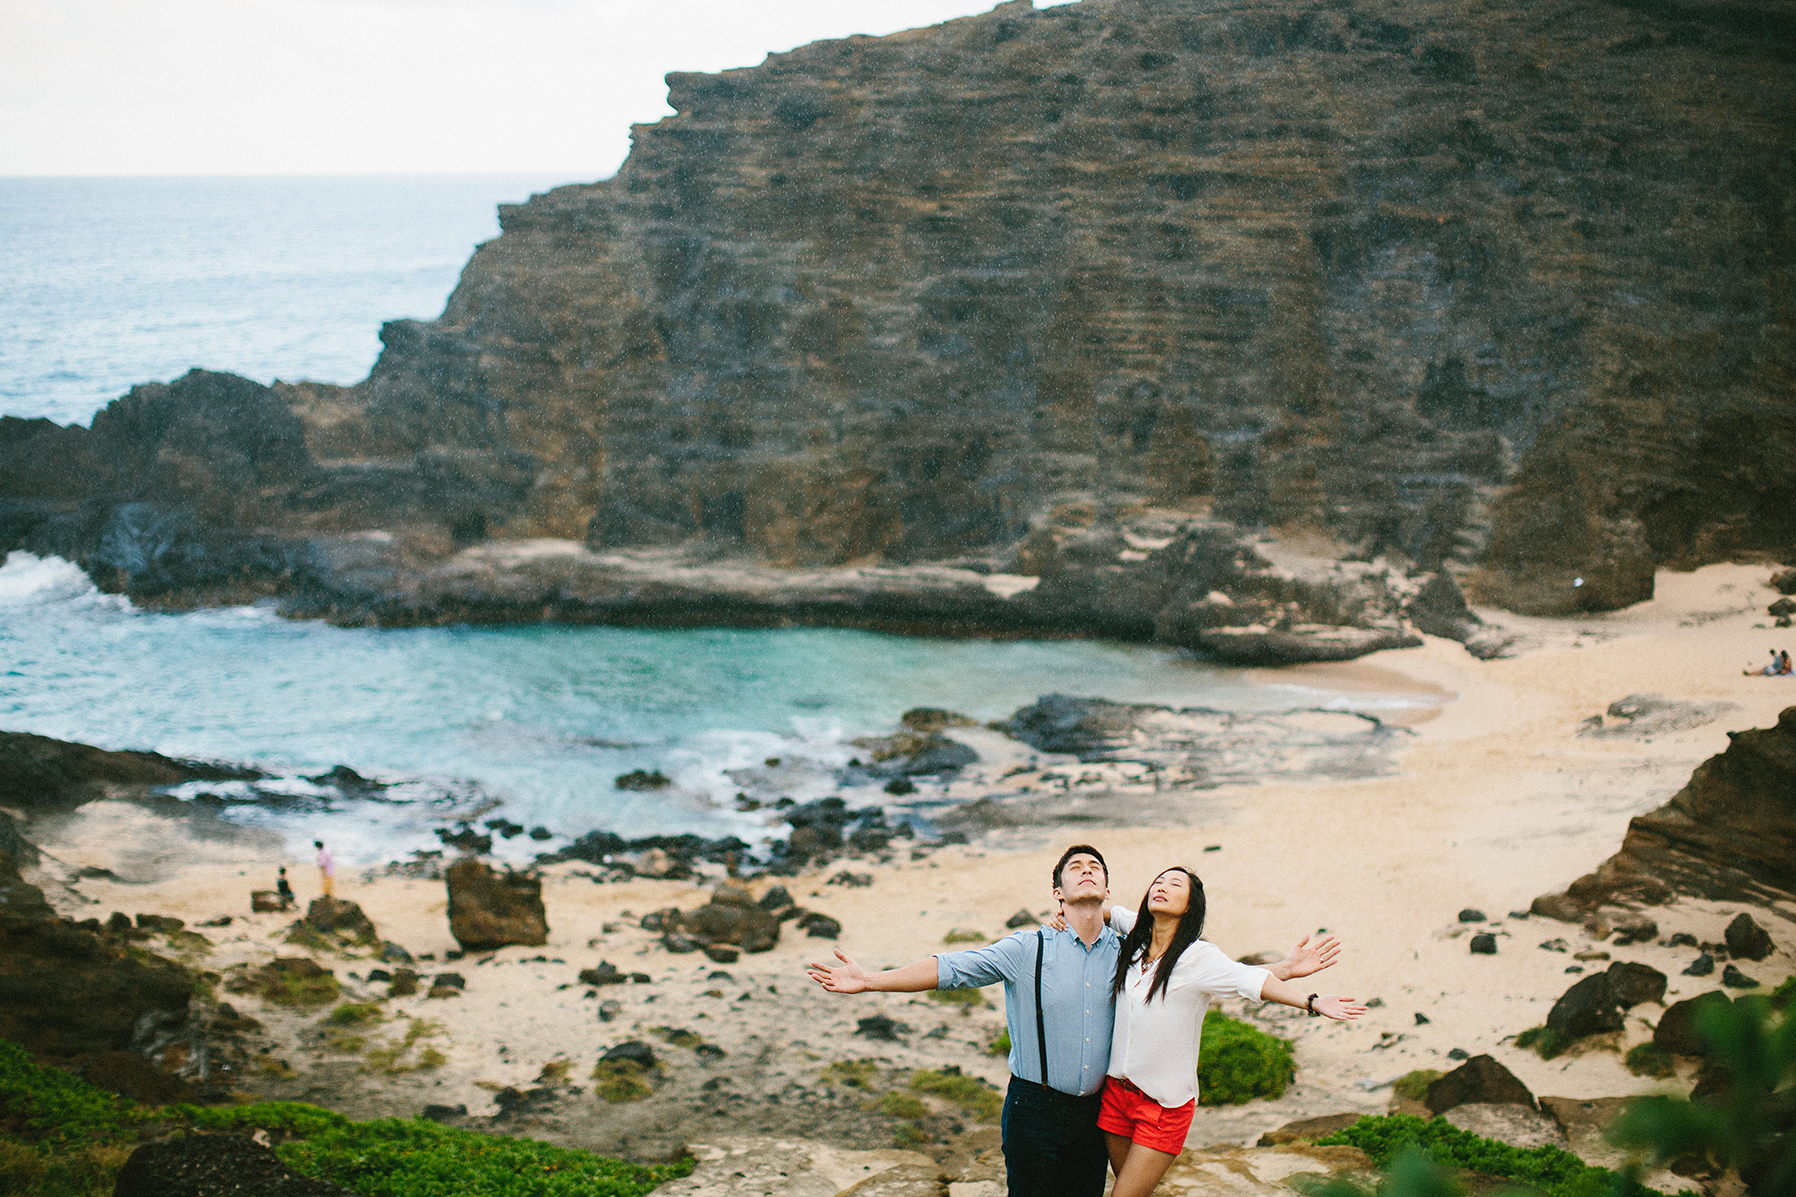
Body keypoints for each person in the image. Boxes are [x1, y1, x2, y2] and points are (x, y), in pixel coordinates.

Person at [806, 846, 1339, 1197]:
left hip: (1097, 1112)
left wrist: (1289, 977)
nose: (1086, 871)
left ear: (1108, 891)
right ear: (1057, 892)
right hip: (1035, 1108)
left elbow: (1197, 972)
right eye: (1074, 869)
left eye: (1096, 868)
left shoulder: (1130, 952)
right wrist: (869, 979)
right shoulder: (1026, 947)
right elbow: (951, 968)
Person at [1098, 867, 1365, 1197]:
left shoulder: (1198, 957)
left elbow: (1249, 982)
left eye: (1174, 884)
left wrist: (1310, 1001)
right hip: (1116, 1097)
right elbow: (1103, 911)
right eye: (1158, 881)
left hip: (1162, 1107)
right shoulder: (1135, 935)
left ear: (1190, 907)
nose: (1162, 886)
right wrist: (1063, 914)